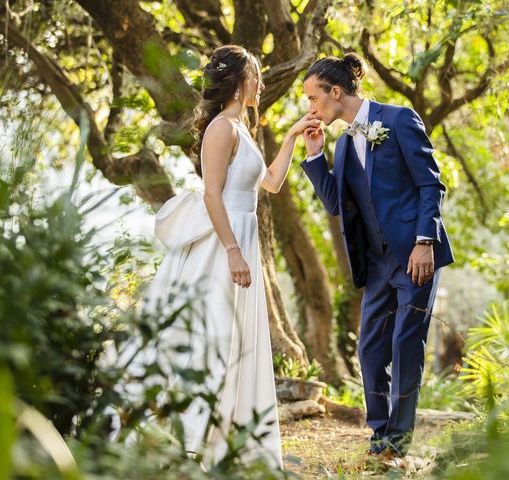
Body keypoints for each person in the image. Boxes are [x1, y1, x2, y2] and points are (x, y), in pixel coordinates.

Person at [143, 44, 319, 469]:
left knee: (238, 341)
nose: (260, 82)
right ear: (240, 82)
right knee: (214, 340)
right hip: (222, 247)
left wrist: (294, 135)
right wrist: (233, 251)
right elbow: (211, 193)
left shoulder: (243, 130)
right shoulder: (221, 128)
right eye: (255, 75)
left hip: (243, 237)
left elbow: (272, 183)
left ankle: (230, 444)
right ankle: (189, 442)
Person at [300, 53, 454, 462]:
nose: (310, 108)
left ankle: (398, 445)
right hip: (378, 262)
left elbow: (431, 186)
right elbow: (337, 203)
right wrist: (316, 157)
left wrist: (425, 242)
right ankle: (380, 434)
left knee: (406, 344)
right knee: (369, 349)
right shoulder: (342, 142)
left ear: (336, 92)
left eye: (313, 98)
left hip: (416, 254)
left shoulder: (400, 119)